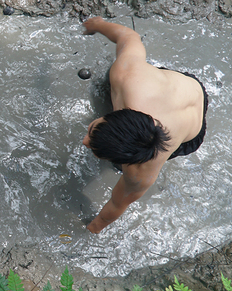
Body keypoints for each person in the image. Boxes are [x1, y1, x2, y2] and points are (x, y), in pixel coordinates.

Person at [81, 17, 208, 234]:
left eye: (93, 147)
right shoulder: (129, 75)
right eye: (92, 131)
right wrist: (97, 25)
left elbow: (117, 204)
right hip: (186, 88)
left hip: (191, 130)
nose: (84, 142)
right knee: (112, 77)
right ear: (114, 115)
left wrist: (93, 228)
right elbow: (127, 36)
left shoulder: (140, 174)